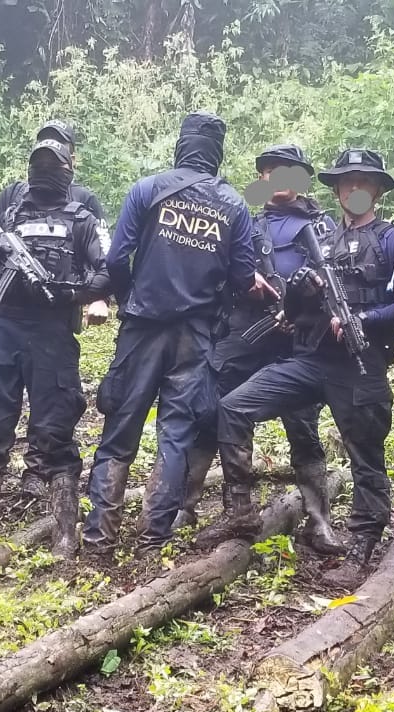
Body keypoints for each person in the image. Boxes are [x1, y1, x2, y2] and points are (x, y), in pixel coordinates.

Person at [216, 148, 394, 589]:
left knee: (366, 458)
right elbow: (290, 308)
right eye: (347, 182)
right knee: (233, 407)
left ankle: (362, 547)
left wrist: (363, 319)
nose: (355, 189)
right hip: (309, 361)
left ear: (378, 190)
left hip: (361, 367)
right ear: (338, 189)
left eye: (364, 182)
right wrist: (302, 291)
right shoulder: (320, 240)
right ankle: (241, 511)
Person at [83, 111, 260, 555]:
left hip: (142, 327)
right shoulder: (234, 205)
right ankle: (153, 538)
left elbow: (117, 259)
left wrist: (130, 299)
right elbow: (243, 276)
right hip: (196, 335)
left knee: (120, 425)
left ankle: (99, 536)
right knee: (176, 432)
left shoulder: (148, 189)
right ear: (217, 154)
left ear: (182, 145)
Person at [152, 144, 341, 553]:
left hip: (299, 340)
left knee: (303, 426)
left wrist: (306, 303)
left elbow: (340, 281)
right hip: (245, 331)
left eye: (289, 172)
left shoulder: (324, 227)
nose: (278, 179)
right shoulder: (242, 220)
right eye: (270, 171)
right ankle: (194, 506)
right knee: (209, 411)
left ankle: (319, 519)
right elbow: (212, 268)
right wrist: (244, 277)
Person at [0, 137, 111, 557]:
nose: (44, 171)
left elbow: (109, 272)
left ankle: (65, 535)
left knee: (56, 430)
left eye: (53, 164)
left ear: (69, 169)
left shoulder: (82, 219)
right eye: (37, 163)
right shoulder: (5, 213)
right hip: (2, 327)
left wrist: (72, 294)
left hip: (51, 332)